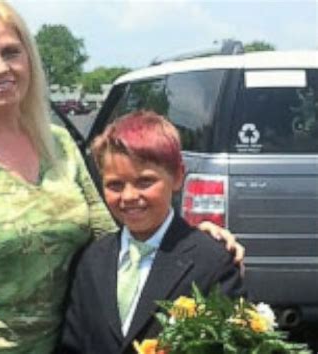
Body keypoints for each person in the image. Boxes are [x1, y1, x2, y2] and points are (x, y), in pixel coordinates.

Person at [0, 1, 243, 353]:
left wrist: (189, 241)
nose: (0, 68)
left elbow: (107, 234)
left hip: (59, 344)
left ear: (28, 58)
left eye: (11, 52)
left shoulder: (58, 144)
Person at [60, 111, 246, 354]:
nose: (128, 197)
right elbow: (72, 345)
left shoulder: (211, 261)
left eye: (145, 182)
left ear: (178, 176)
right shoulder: (92, 260)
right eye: (115, 185)